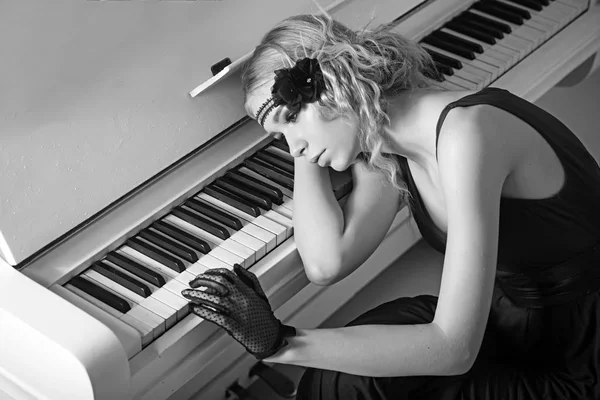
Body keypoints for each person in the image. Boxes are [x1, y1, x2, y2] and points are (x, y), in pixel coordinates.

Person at [181, 13, 600, 399]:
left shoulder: (468, 134)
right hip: (511, 324)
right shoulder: (388, 143)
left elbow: (454, 349)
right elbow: (327, 262)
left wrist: (278, 343)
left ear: (334, 81)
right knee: (338, 374)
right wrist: (302, 143)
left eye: (291, 119)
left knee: (348, 385)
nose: (294, 149)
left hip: (578, 358)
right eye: (278, 139)